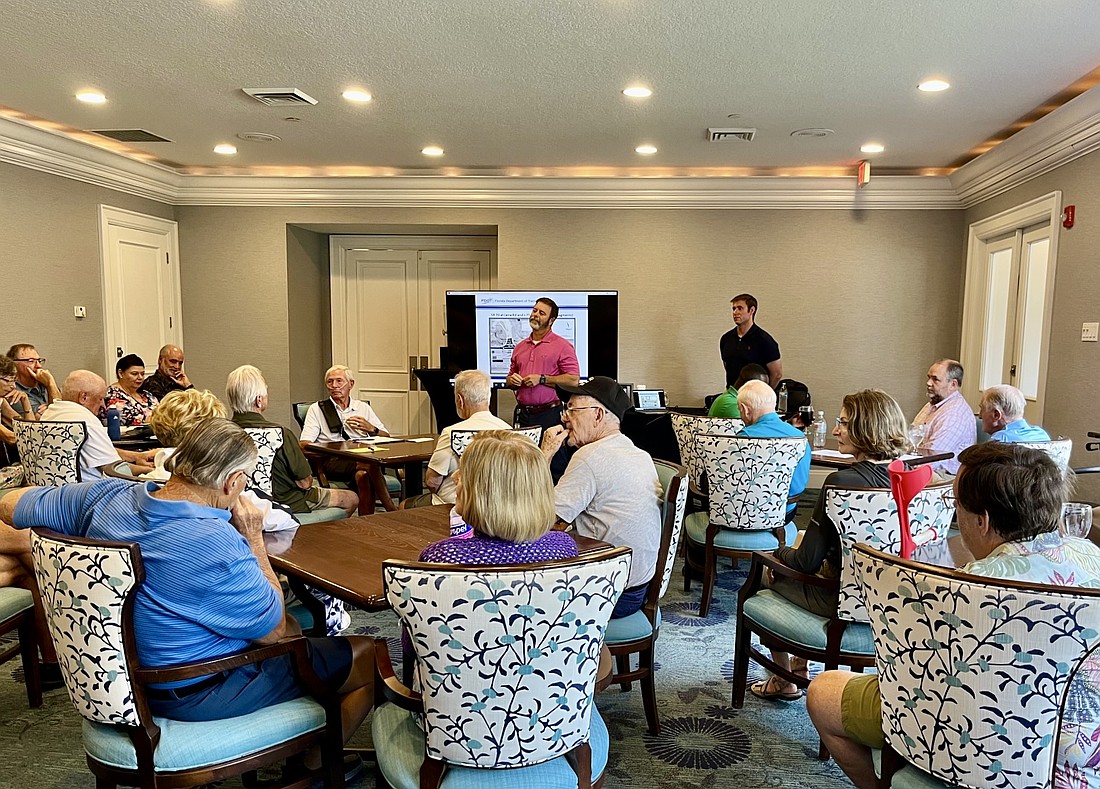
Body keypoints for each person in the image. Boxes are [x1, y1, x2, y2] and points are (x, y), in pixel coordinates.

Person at [0, 419, 375, 770]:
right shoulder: (215, 543)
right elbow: (274, 632)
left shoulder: (107, 495)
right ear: (233, 482)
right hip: (193, 688)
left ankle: (301, 741)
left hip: (123, 680)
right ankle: (313, 767)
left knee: (297, 633)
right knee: (365, 656)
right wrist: (254, 539)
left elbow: (8, 504)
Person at [807, 442, 1100, 789]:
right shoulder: (1090, 556)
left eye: (956, 503)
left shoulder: (958, 590)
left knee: (823, 693)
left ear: (982, 519)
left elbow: (911, 672)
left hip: (970, 741)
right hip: (1081, 756)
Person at [751, 389, 910, 702]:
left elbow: (806, 562)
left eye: (844, 423)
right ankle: (799, 668)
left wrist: (776, 552)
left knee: (762, 572)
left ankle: (786, 680)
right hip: (889, 602)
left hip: (837, 600)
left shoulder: (841, 482)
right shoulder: (908, 478)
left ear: (867, 430)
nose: (836, 430)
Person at [540, 376, 661, 619]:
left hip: (610, 594)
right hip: (638, 586)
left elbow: (541, 521)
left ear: (597, 415)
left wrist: (544, 456)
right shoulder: (638, 453)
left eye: (572, 409)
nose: (564, 418)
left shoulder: (590, 457)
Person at [420, 430, 578, 564]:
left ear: (487, 492)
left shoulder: (442, 557)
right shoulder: (565, 548)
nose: (455, 477)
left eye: (464, 472)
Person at [228, 365, 358, 517]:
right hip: (284, 503)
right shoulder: (281, 434)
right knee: (351, 498)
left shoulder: (219, 432)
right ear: (259, 400)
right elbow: (305, 482)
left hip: (235, 504)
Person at [299, 364, 393, 512]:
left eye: (339, 381)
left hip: (361, 458)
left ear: (351, 384)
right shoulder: (318, 409)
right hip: (332, 461)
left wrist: (371, 429)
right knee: (369, 464)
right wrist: (331, 448)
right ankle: (391, 509)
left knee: (363, 475)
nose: (334, 386)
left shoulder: (362, 407)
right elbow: (304, 444)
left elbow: (386, 437)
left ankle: (366, 522)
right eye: (330, 382)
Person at [506, 297, 580, 480]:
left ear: (551, 320)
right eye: (534, 310)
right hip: (524, 415)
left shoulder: (562, 346)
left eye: (541, 313)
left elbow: (573, 379)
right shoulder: (520, 347)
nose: (535, 315)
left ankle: (554, 506)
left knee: (554, 466)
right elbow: (509, 378)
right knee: (524, 466)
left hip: (550, 414)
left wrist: (543, 379)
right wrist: (512, 381)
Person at [415, 370, 510, 507]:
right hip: (498, 505)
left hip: (456, 504)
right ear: (488, 397)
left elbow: (432, 482)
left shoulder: (451, 432)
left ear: (459, 400)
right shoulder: (509, 430)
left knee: (405, 506)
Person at [41, 370, 156, 478]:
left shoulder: (50, 414)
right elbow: (118, 470)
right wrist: (154, 473)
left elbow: (99, 453)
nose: (103, 406)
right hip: (92, 492)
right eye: (100, 399)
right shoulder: (86, 421)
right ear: (83, 397)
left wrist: (138, 458)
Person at [735, 380, 810, 518]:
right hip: (785, 512)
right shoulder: (800, 438)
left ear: (745, 409)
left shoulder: (744, 438)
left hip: (746, 513)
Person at [910, 359, 975, 476]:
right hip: (922, 467)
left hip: (943, 477)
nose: (928, 383)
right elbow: (912, 438)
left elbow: (932, 459)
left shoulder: (955, 414)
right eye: (929, 377)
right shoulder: (934, 404)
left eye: (935, 379)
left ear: (953, 384)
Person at [719, 294, 782, 389]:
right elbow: (728, 366)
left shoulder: (764, 340)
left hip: (755, 397)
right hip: (732, 394)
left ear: (752, 310)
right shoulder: (726, 339)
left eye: (740, 308)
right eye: (734, 309)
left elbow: (777, 374)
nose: (735, 312)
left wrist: (765, 394)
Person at [979, 384, 1051, 442]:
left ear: (996, 415)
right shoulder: (1041, 434)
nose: (980, 416)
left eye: (982, 409)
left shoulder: (998, 442)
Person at [5, 344, 59, 417]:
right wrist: (50, 384)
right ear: (14, 365)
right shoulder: (12, 390)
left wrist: (51, 384)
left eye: (39, 361)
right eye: (31, 361)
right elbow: (39, 420)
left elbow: (63, 411)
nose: (39, 366)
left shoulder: (45, 381)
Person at [105, 353, 158, 427]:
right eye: (134, 374)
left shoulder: (147, 394)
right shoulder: (112, 395)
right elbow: (127, 420)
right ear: (120, 373)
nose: (140, 377)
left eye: (142, 374)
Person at [0, 355, 37, 446]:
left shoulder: (1, 400)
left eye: (14, 381)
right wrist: (34, 437)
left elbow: (30, 428)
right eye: (8, 380)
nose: (13, 386)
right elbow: (11, 438)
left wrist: (25, 401)